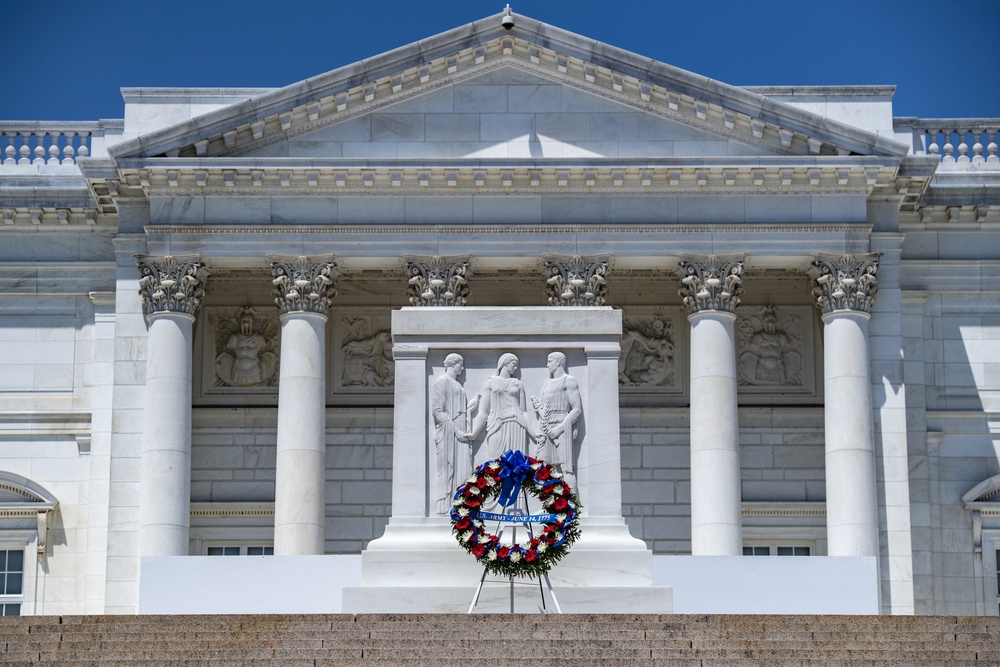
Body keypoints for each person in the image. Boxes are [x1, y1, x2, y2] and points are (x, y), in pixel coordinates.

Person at [431, 354, 474, 515]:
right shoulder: (442, 382)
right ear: (452, 364)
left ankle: (463, 507)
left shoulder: (456, 384)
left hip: (460, 433)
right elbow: (437, 411)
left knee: (464, 468)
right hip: (449, 433)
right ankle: (444, 506)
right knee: (447, 468)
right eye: (460, 364)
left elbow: (460, 410)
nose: (462, 368)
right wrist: (456, 431)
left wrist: (470, 407)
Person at [468, 353, 532, 459]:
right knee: (494, 462)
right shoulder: (491, 382)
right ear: (505, 363)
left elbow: (523, 411)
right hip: (496, 424)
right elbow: (484, 412)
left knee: (516, 464)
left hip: (516, 425)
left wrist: (533, 433)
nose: (516, 368)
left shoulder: (518, 384)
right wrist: (475, 433)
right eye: (514, 364)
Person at [532, 352, 582, 482]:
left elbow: (576, 409)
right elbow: (546, 409)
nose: (547, 365)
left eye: (550, 361)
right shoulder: (548, 383)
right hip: (545, 429)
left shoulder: (568, 380)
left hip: (562, 427)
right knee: (542, 468)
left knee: (566, 469)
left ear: (559, 362)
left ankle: (573, 502)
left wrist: (559, 429)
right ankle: (549, 501)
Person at [215, 307, 277, 386]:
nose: (246, 323)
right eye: (244, 321)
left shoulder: (258, 338)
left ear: (252, 322)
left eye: (248, 321)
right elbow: (229, 346)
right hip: (238, 370)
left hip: (254, 369)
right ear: (241, 322)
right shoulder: (234, 338)